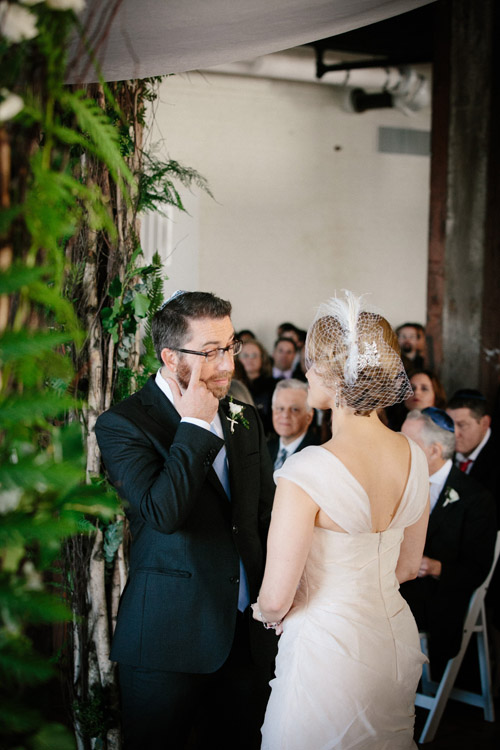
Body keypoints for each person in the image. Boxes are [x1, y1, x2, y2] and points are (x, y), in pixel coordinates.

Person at [95, 291, 277, 750]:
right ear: (170, 357)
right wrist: (194, 427)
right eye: (210, 352)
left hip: (244, 634)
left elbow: (262, 517)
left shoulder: (245, 418)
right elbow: (164, 513)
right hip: (168, 639)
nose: (227, 364)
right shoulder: (123, 424)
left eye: (230, 346)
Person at [252, 291, 430, 749]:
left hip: (328, 650)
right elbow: (408, 568)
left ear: (334, 375)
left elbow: (274, 598)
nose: (305, 371)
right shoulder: (414, 454)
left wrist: (268, 613)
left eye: (311, 363)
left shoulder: (306, 470)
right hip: (394, 639)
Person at [400, 408, 496, 677]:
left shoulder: (475, 499)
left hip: (437, 598)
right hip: (397, 586)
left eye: (409, 443)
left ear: (435, 450)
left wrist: (434, 567)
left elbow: (477, 569)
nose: (401, 449)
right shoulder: (398, 485)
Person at [267, 379, 319, 472]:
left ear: (309, 417)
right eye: (280, 408)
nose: (285, 415)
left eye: (294, 409)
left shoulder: (317, 456)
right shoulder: (265, 449)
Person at [238, 338, 277, 437]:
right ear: (237, 359)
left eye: (254, 355)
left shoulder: (273, 385)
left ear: (262, 359)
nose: (250, 359)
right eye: (245, 355)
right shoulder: (231, 386)